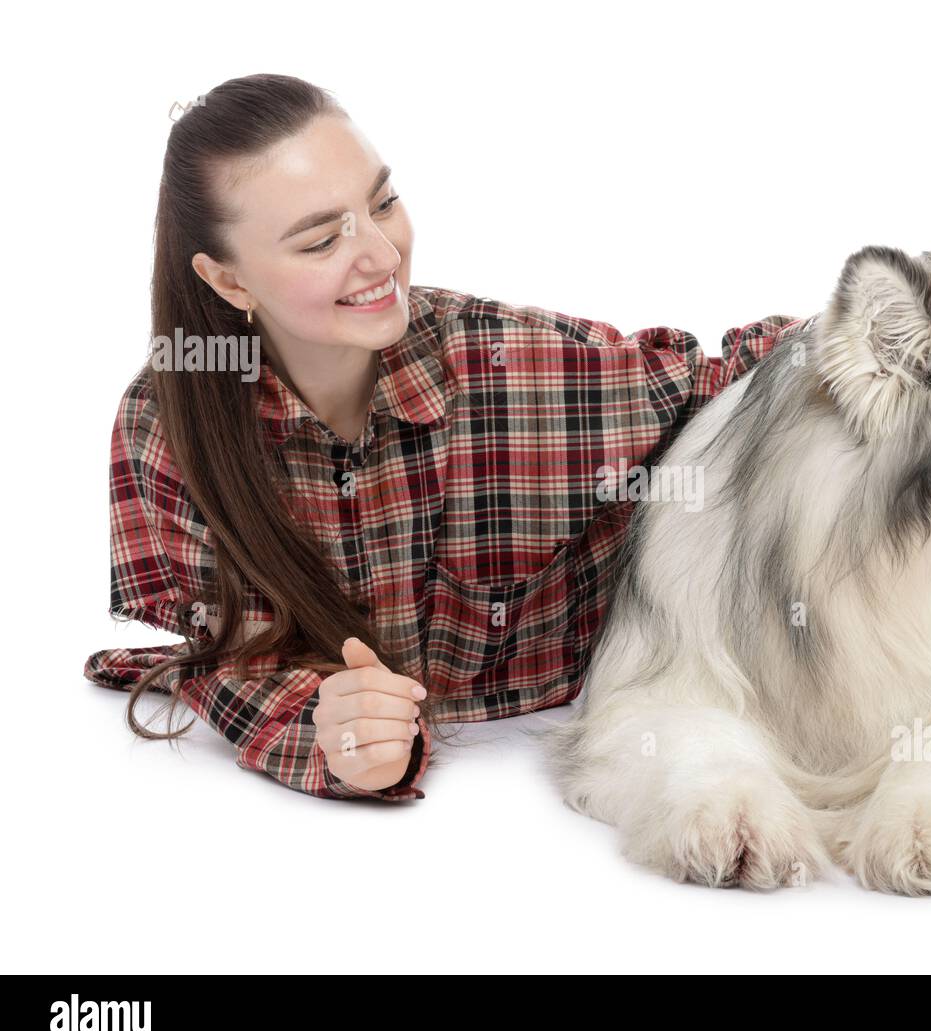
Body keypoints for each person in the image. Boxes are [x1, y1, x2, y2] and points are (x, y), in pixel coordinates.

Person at [84, 73, 805, 801]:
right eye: (320, 239)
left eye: (382, 203)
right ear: (230, 282)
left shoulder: (506, 364)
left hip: (645, 726)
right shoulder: (167, 431)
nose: (380, 255)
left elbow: (729, 374)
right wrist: (333, 738)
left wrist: (893, 321)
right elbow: (231, 658)